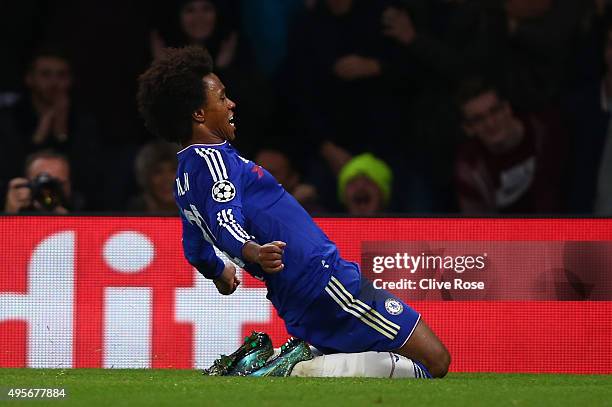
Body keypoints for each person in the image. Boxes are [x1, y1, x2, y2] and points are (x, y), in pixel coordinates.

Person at [137, 46, 450, 378]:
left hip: (293, 295)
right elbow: (226, 220)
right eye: (222, 97)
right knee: (436, 361)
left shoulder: (183, 178)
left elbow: (195, 249)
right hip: (325, 281)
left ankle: (299, 362)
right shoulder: (215, 160)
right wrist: (252, 250)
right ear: (199, 114)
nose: (232, 104)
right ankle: (296, 367)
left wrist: (218, 271)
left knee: (395, 366)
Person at [0, 48, 101, 210]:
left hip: (71, 211)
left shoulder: (83, 121)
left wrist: (61, 134)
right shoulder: (8, 120)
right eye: (46, 74)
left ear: (70, 80)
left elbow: (89, 181)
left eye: (61, 75)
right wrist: (39, 136)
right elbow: (8, 171)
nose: (54, 83)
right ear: (29, 78)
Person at [455, 78, 566, 214]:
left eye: (495, 111)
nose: (490, 123)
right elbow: (477, 227)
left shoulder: (544, 132)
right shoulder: (470, 168)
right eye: (478, 119)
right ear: (468, 129)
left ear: (507, 108)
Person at [4, 150, 81, 214]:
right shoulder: (16, 213)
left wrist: (69, 221)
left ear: (70, 185)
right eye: (42, 184)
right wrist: (10, 214)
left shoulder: (84, 212)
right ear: (27, 184)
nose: (48, 191)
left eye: (58, 184)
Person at [127, 141, 179, 215]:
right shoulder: (133, 214)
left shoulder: (198, 214)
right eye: (158, 172)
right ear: (145, 178)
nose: (167, 179)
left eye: (173, 170)